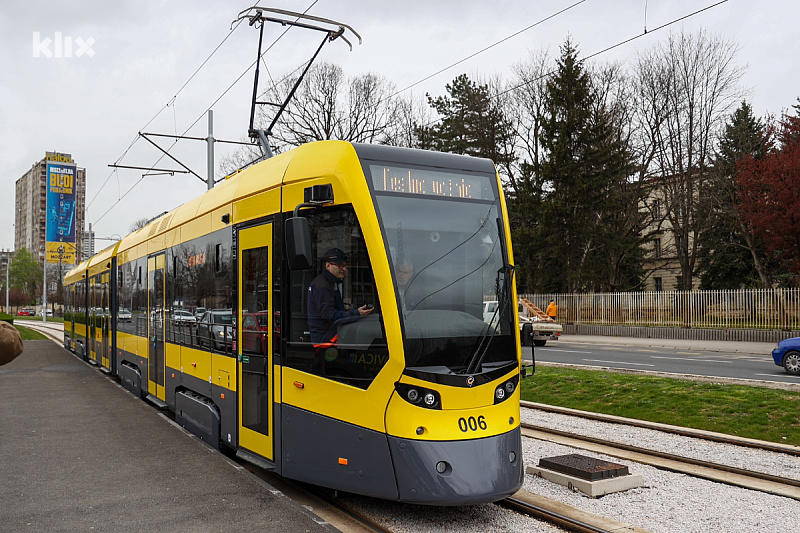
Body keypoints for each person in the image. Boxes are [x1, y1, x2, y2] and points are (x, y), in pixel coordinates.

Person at [307, 248, 373, 346]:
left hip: (328, 336)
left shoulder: (330, 282)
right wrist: (355, 313)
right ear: (328, 266)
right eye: (340, 266)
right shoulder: (323, 286)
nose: (344, 269)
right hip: (326, 340)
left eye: (345, 265)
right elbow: (328, 315)